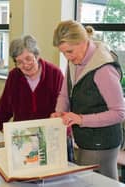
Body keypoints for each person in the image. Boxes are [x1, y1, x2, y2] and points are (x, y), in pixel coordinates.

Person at [51, 20, 125, 180]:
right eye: (63, 53)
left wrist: (80, 119)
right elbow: (64, 94)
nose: (67, 57)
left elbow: (119, 113)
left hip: (102, 142)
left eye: (69, 51)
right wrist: (59, 113)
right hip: (85, 138)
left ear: (83, 41)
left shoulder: (104, 69)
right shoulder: (74, 60)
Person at [0, 35, 64, 131]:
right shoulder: (14, 76)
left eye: (28, 59)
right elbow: (4, 109)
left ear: (36, 56)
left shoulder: (54, 73)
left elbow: (63, 108)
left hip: (50, 132)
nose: (25, 65)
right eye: (19, 62)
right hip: (22, 135)